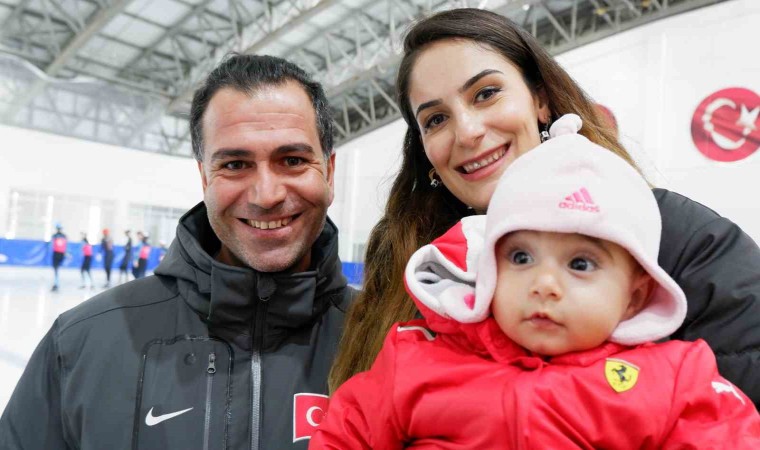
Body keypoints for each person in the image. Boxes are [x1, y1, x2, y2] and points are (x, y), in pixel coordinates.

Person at [329, 8, 760, 407]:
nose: (468, 131)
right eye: (436, 119)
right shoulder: (410, 268)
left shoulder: (676, 237)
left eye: (486, 93)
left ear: (540, 100)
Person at [312, 116, 760, 449]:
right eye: (521, 257)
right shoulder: (416, 357)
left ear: (634, 295)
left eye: (581, 264)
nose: (544, 283)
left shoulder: (677, 379)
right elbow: (345, 434)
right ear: (488, 267)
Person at [0, 54, 356, 449]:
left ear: (329, 172)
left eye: (292, 160)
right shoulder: (79, 343)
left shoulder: (385, 339)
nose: (266, 195)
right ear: (204, 178)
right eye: (235, 164)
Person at [50, 222, 67, 292]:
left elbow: (52, 244)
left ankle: (56, 284)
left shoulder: (54, 236)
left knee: (56, 269)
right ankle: (56, 283)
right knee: (56, 269)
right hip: (61, 254)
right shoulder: (64, 236)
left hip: (56, 253)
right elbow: (65, 245)